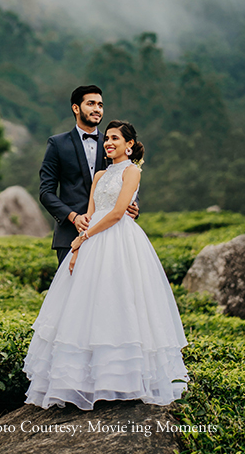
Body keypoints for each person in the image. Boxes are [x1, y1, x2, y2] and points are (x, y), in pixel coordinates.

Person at [24, 120, 189, 410]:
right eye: (107, 138)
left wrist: (84, 236)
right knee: (87, 309)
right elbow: (91, 212)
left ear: (129, 144)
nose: (108, 143)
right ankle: (86, 380)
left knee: (120, 303)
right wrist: (78, 246)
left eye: (115, 138)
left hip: (120, 240)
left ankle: (125, 380)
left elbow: (116, 213)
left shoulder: (132, 171)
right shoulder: (99, 175)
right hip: (91, 242)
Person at [39, 85, 138, 266]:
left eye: (100, 105)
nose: (97, 109)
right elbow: (46, 192)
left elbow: (123, 176)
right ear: (76, 108)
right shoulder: (57, 144)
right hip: (69, 234)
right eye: (91, 104)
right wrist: (73, 217)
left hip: (110, 234)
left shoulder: (112, 143)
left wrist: (132, 204)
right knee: (71, 291)